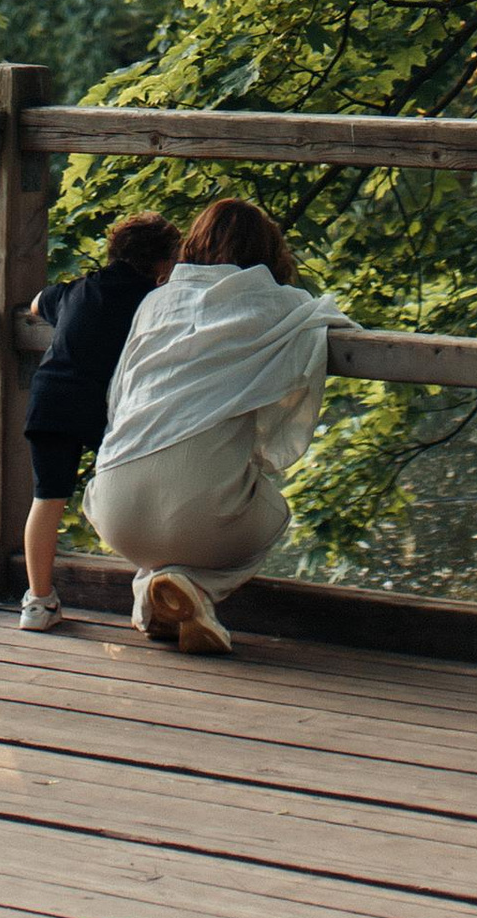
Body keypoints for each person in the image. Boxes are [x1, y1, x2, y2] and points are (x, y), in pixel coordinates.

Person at [86, 196, 342, 656]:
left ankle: (159, 602)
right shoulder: (280, 305)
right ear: (268, 250)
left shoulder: (156, 302)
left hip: (114, 510)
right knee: (274, 512)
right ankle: (195, 589)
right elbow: (330, 319)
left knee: (160, 516)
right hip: (202, 518)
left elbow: (118, 395)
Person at [17, 211, 181, 632]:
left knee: (47, 498)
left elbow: (37, 303)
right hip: (104, 409)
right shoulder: (154, 301)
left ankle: (37, 602)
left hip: (49, 398)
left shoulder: (77, 290)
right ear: (165, 263)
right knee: (143, 490)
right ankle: (158, 590)